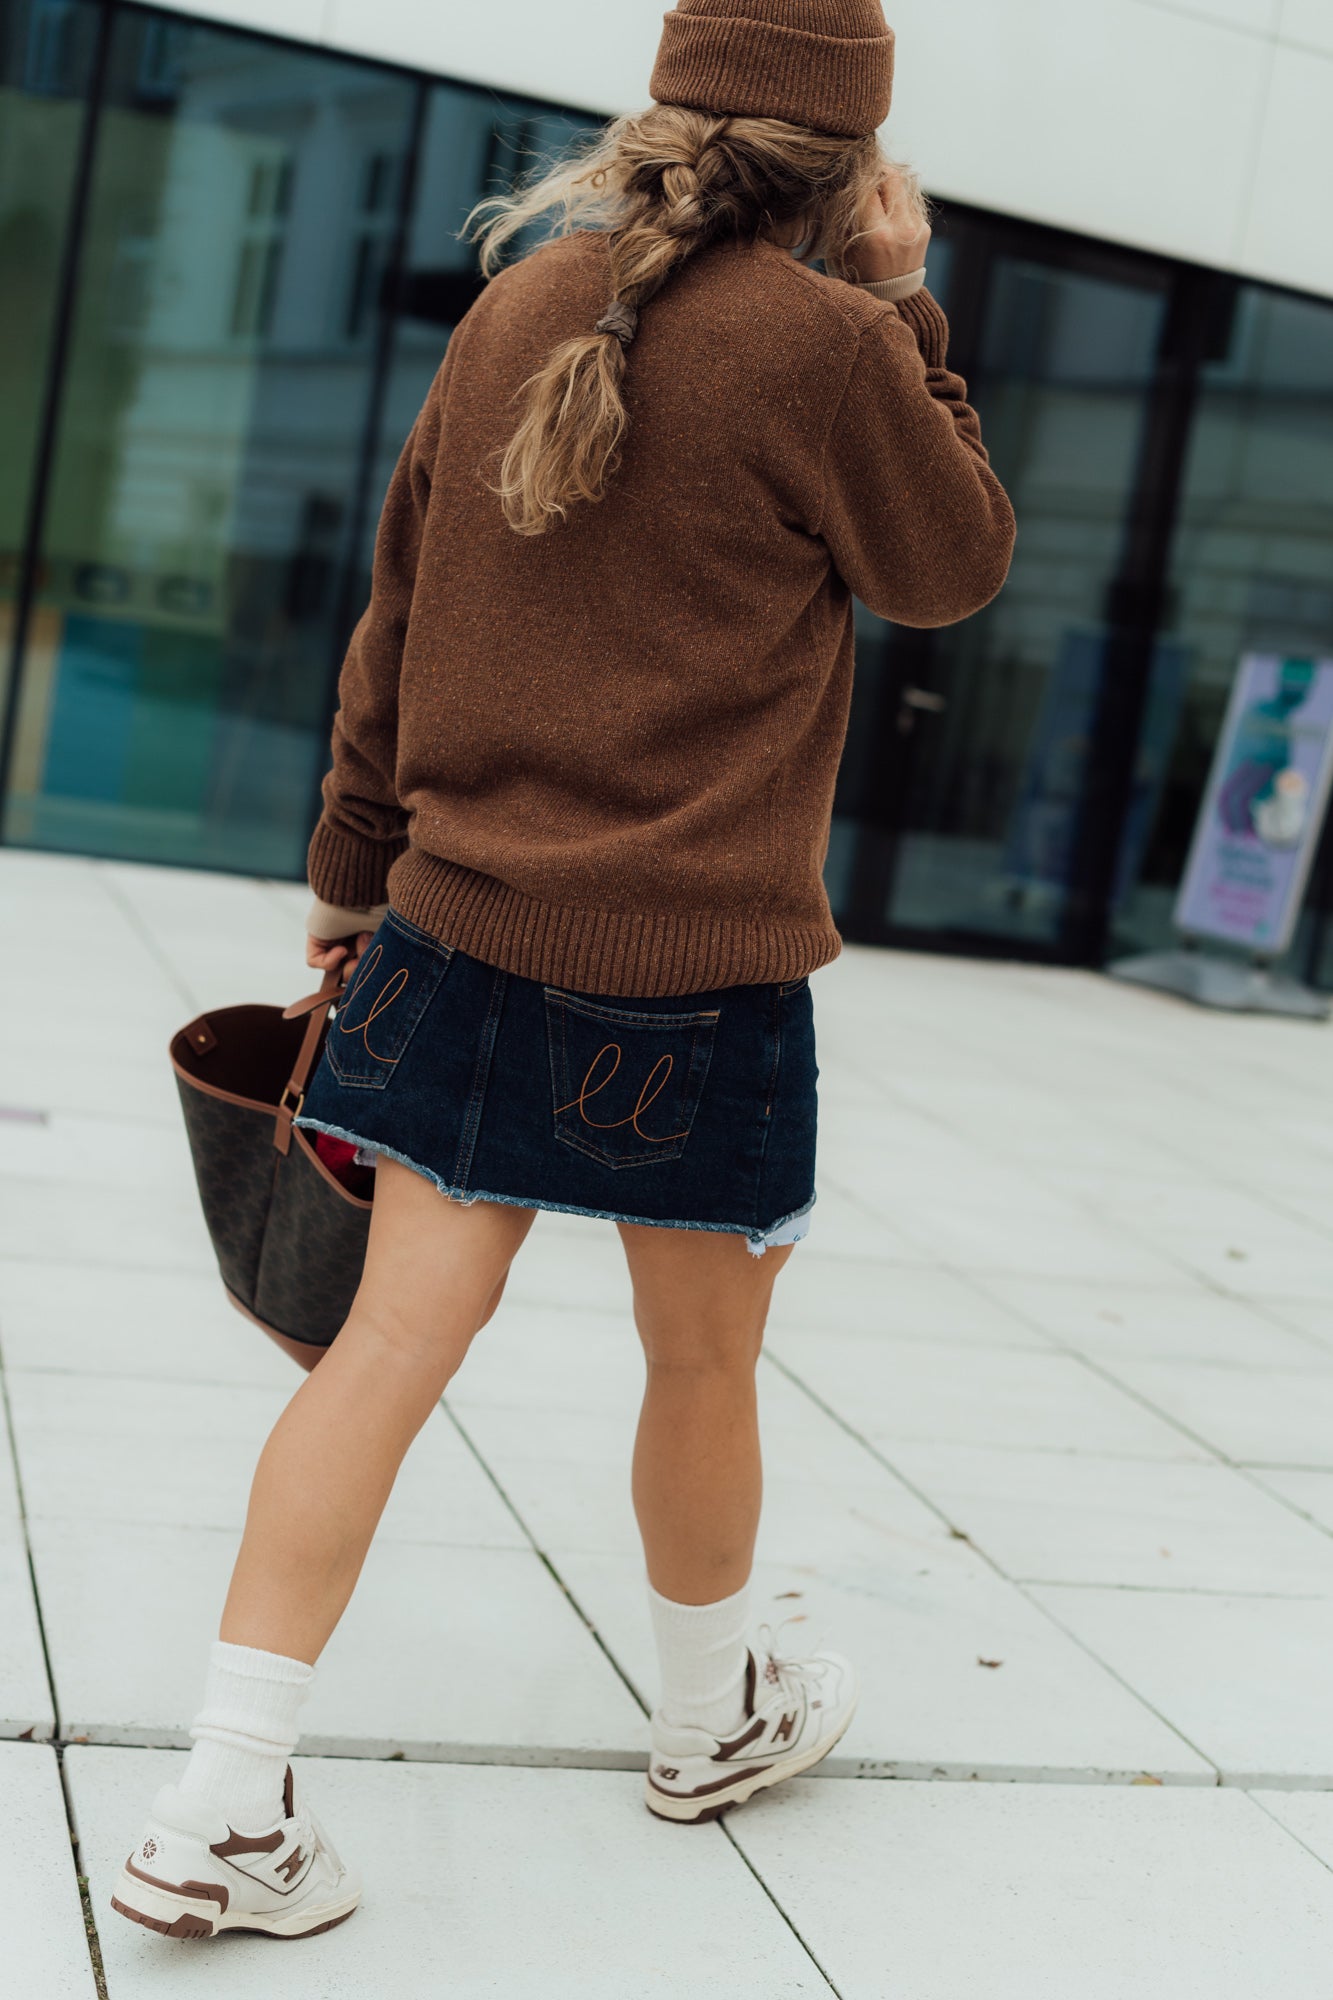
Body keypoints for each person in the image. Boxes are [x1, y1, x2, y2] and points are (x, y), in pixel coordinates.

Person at [112, 0, 1015, 1942]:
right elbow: (954, 560)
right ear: (847, 157)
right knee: (699, 1358)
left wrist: (350, 882)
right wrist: (912, 298)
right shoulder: (842, 346)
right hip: (691, 986)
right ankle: (709, 1720)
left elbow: (399, 602)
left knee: (381, 1354)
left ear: (673, 104)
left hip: (452, 931)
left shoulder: (525, 301)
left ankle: (220, 1798)